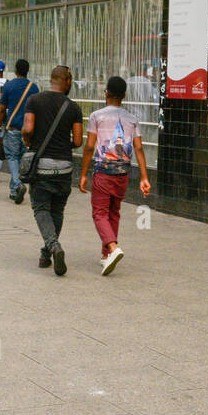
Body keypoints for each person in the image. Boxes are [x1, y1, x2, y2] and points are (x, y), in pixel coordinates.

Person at [79, 75, 152, 275]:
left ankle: (112, 247)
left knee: (99, 212)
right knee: (114, 212)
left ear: (107, 94)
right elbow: (138, 148)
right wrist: (144, 177)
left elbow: (90, 147)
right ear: (124, 96)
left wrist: (83, 173)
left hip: (103, 171)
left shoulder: (97, 116)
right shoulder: (132, 118)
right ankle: (105, 256)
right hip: (123, 174)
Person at [22, 65, 83, 276]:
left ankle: (53, 246)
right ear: (66, 81)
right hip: (64, 167)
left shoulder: (34, 101)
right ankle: (46, 254)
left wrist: (29, 141)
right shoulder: (73, 107)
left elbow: (28, 129)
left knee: (41, 208)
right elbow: (77, 140)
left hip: (42, 167)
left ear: (51, 80)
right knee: (57, 211)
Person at [0, 59, 39, 204]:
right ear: (27, 71)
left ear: (16, 70)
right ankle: (14, 192)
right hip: (28, 131)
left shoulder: (9, 86)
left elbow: (2, 108)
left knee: (12, 157)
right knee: (21, 159)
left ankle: (17, 184)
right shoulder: (34, 88)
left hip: (13, 129)